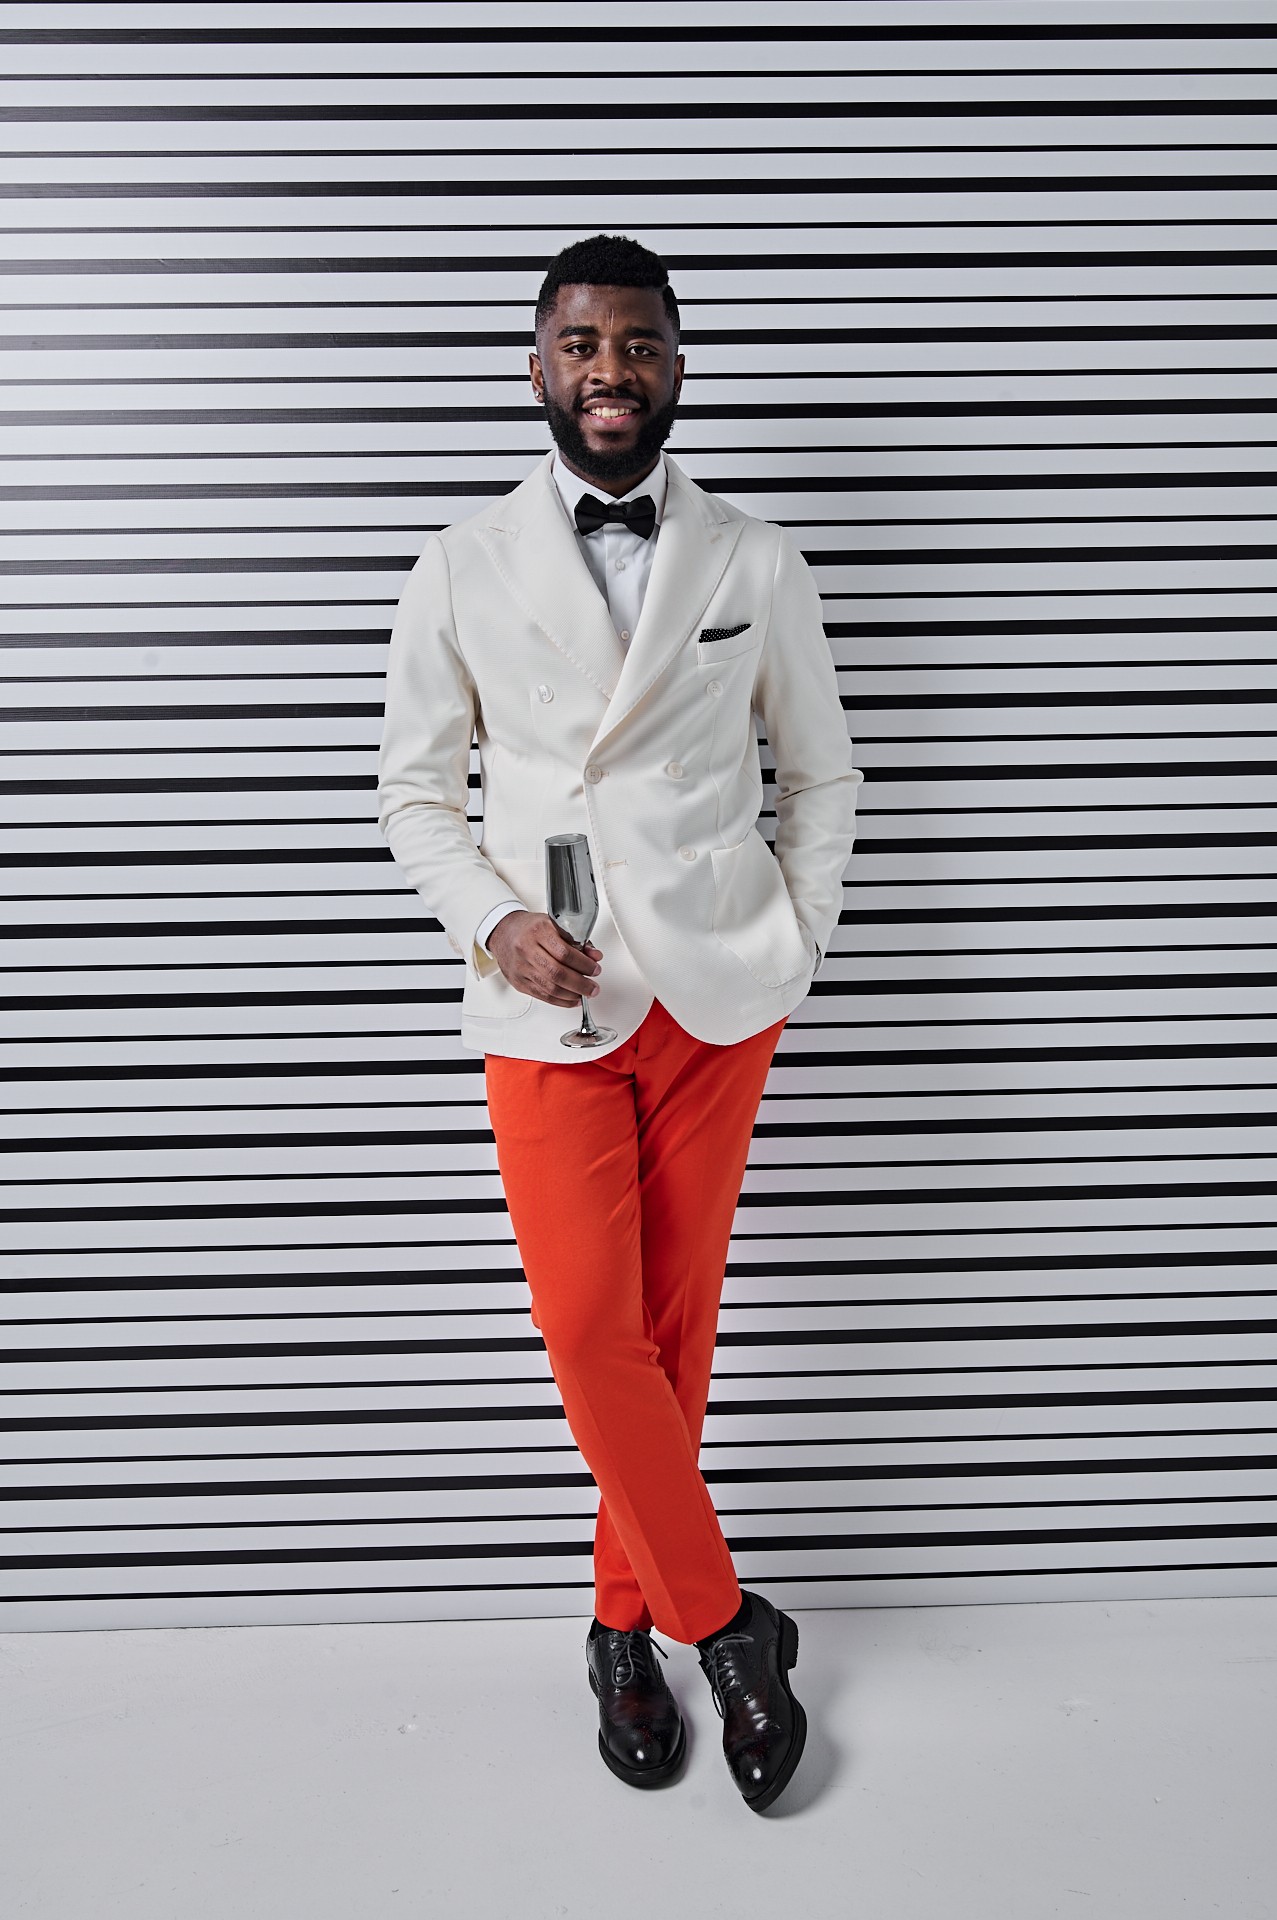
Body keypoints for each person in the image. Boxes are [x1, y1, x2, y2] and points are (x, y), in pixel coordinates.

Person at [377, 234, 861, 1812]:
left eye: (638, 345)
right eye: (581, 345)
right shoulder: (459, 561)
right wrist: (491, 922)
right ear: (536, 365)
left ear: (674, 367)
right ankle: (726, 1630)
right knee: (592, 1332)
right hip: (554, 1006)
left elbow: (824, 774)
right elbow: (409, 794)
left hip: (719, 999)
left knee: (670, 1336)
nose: (610, 372)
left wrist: (789, 944)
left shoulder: (752, 558)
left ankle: (613, 1625)